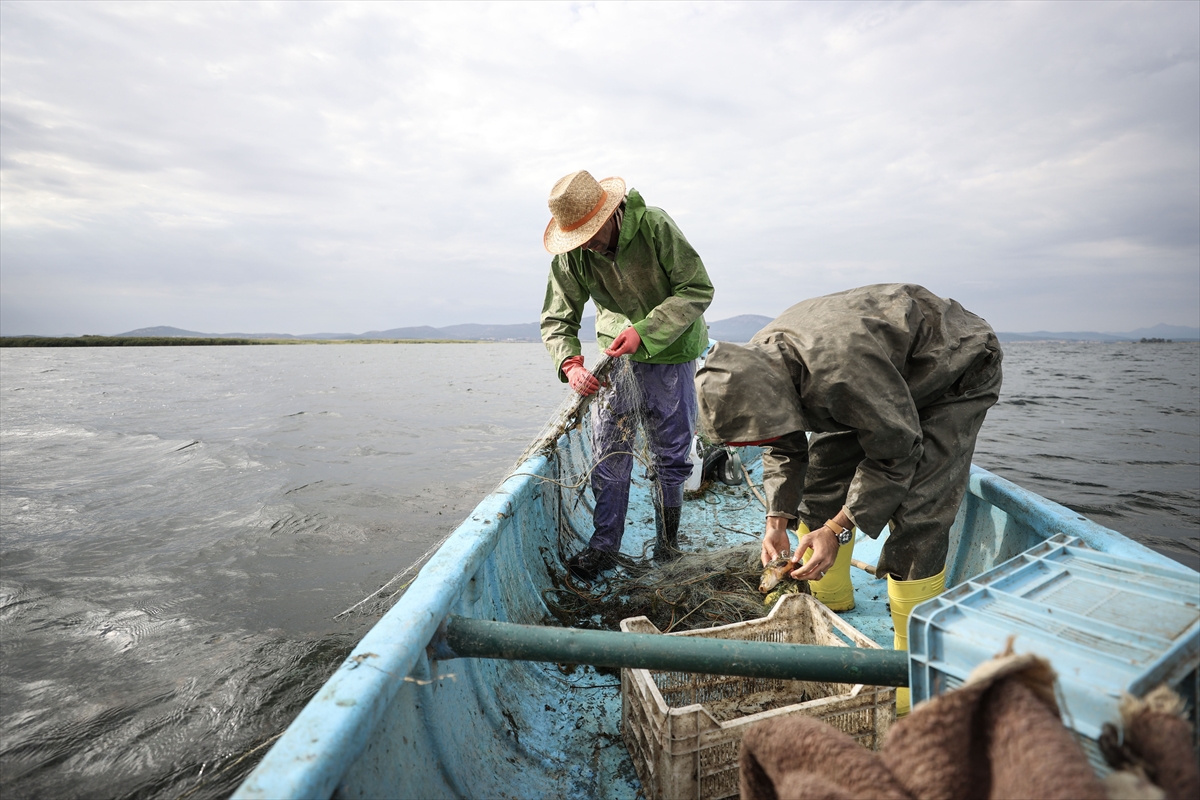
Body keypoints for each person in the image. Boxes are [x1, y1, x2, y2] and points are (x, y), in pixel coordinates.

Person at [694, 283, 1002, 713]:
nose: (765, 439)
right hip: (882, 379)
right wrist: (776, 519)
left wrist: (838, 527)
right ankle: (830, 591)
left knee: (920, 511)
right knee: (821, 476)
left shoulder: (840, 373)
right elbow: (783, 444)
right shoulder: (758, 368)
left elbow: (897, 453)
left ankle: (909, 671)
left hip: (953, 370)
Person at [540, 170, 714, 580]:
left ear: (613, 212)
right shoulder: (574, 254)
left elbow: (696, 289)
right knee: (610, 454)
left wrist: (646, 331)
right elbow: (556, 319)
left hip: (673, 354)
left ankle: (667, 544)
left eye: (594, 232)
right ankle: (604, 547)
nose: (589, 244)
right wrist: (571, 364)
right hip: (616, 360)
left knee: (671, 456)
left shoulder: (655, 226)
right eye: (579, 238)